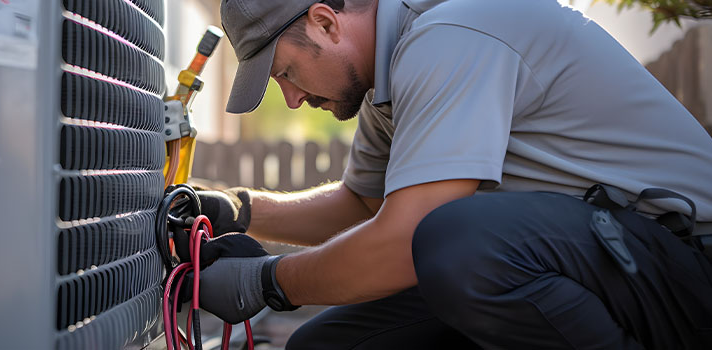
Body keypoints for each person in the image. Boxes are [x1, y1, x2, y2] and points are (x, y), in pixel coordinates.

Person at [181, 0, 712, 348]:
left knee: (458, 241)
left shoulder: (450, 35)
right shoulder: (388, 80)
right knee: (325, 346)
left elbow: (404, 239)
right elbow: (363, 207)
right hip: (602, 264)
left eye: (287, 73)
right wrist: (238, 209)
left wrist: (266, 282)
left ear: (325, 21)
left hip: (685, 266)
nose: (292, 99)